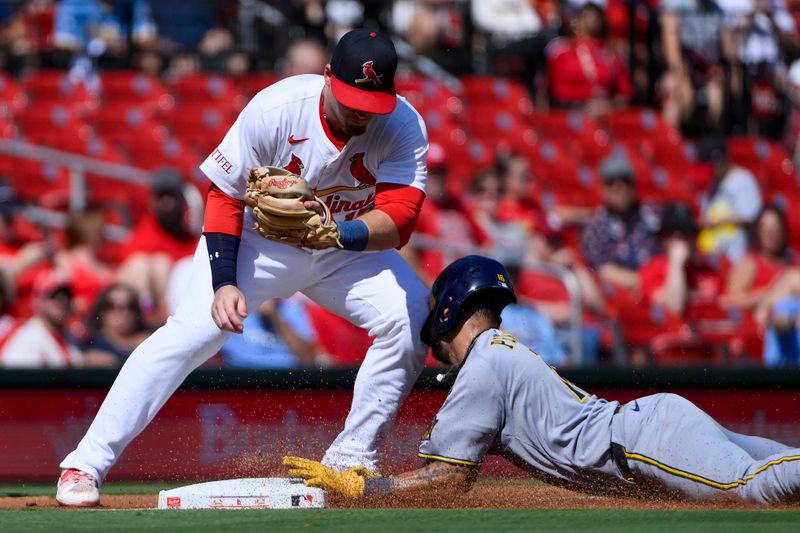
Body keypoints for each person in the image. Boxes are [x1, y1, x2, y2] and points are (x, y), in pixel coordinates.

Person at [56, 28, 430, 507]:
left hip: (342, 244)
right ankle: (84, 464)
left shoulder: (402, 124)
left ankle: (350, 460)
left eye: (372, 101)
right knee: (192, 333)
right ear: (327, 77)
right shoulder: (276, 108)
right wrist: (225, 281)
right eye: (352, 98)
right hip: (261, 243)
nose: (361, 111)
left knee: (412, 315)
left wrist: (341, 234)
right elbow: (225, 195)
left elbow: (401, 218)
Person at [284, 255, 800, 505]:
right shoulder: (500, 351)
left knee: (754, 489)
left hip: (641, 443)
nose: (434, 349)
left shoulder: (482, 366)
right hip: (651, 427)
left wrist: (365, 488)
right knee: (779, 468)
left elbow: (449, 480)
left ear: (446, 313)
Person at [580, 150, 661, 293]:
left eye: (625, 181)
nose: (620, 187)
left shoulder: (653, 214)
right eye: (612, 182)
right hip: (621, 296)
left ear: (634, 185)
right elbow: (604, 271)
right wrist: (644, 282)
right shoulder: (595, 226)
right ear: (603, 189)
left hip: (659, 289)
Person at [696, 135, 763, 263]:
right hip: (713, 256)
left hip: (736, 257)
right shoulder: (713, 184)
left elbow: (753, 218)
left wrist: (718, 221)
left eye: (713, 165)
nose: (712, 170)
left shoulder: (743, 179)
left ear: (721, 160)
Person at [0, 269, 83, 368]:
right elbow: (15, 378)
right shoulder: (28, 338)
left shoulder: (70, 336)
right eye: (53, 296)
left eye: (66, 296)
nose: (62, 301)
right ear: (38, 301)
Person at [219, 298, 321, 369]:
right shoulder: (233, 309)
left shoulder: (291, 309)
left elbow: (309, 357)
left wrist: (274, 315)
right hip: (238, 377)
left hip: (285, 379)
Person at [81, 283, 150, 367]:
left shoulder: (148, 342)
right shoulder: (90, 344)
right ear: (101, 311)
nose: (123, 312)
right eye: (111, 305)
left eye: (130, 305)